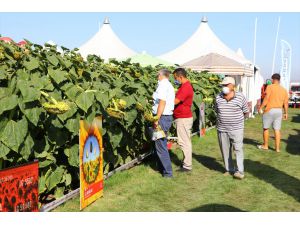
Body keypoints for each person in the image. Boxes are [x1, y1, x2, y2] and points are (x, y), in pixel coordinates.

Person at [215, 77, 249, 179]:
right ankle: (229, 169)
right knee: (225, 150)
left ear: (232, 86)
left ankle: (240, 171)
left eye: (226, 85)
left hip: (237, 128)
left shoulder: (240, 97)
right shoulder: (218, 97)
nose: (223, 87)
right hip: (222, 128)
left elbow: (246, 111)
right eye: (223, 85)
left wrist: (240, 122)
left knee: (238, 149)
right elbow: (217, 110)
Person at [152, 69, 175, 178]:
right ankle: (162, 168)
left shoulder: (162, 85)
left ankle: (167, 173)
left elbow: (162, 102)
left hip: (162, 118)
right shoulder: (168, 85)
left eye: (158, 74)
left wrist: (156, 118)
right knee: (161, 142)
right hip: (166, 117)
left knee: (161, 144)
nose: (157, 76)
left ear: (161, 75)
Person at [257, 73, 288, 152]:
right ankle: (277, 149)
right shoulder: (284, 90)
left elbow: (266, 98)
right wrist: (286, 113)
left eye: (272, 79)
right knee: (277, 130)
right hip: (279, 111)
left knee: (266, 128)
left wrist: (260, 107)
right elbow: (286, 103)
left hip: (270, 110)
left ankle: (265, 146)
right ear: (279, 80)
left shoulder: (270, 87)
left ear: (274, 79)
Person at [173, 68, 194, 172]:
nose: (175, 80)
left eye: (175, 78)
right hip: (183, 117)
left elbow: (176, 101)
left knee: (184, 142)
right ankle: (186, 163)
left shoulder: (186, 87)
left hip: (183, 118)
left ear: (180, 77)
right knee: (185, 140)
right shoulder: (184, 86)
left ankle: (187, 165)